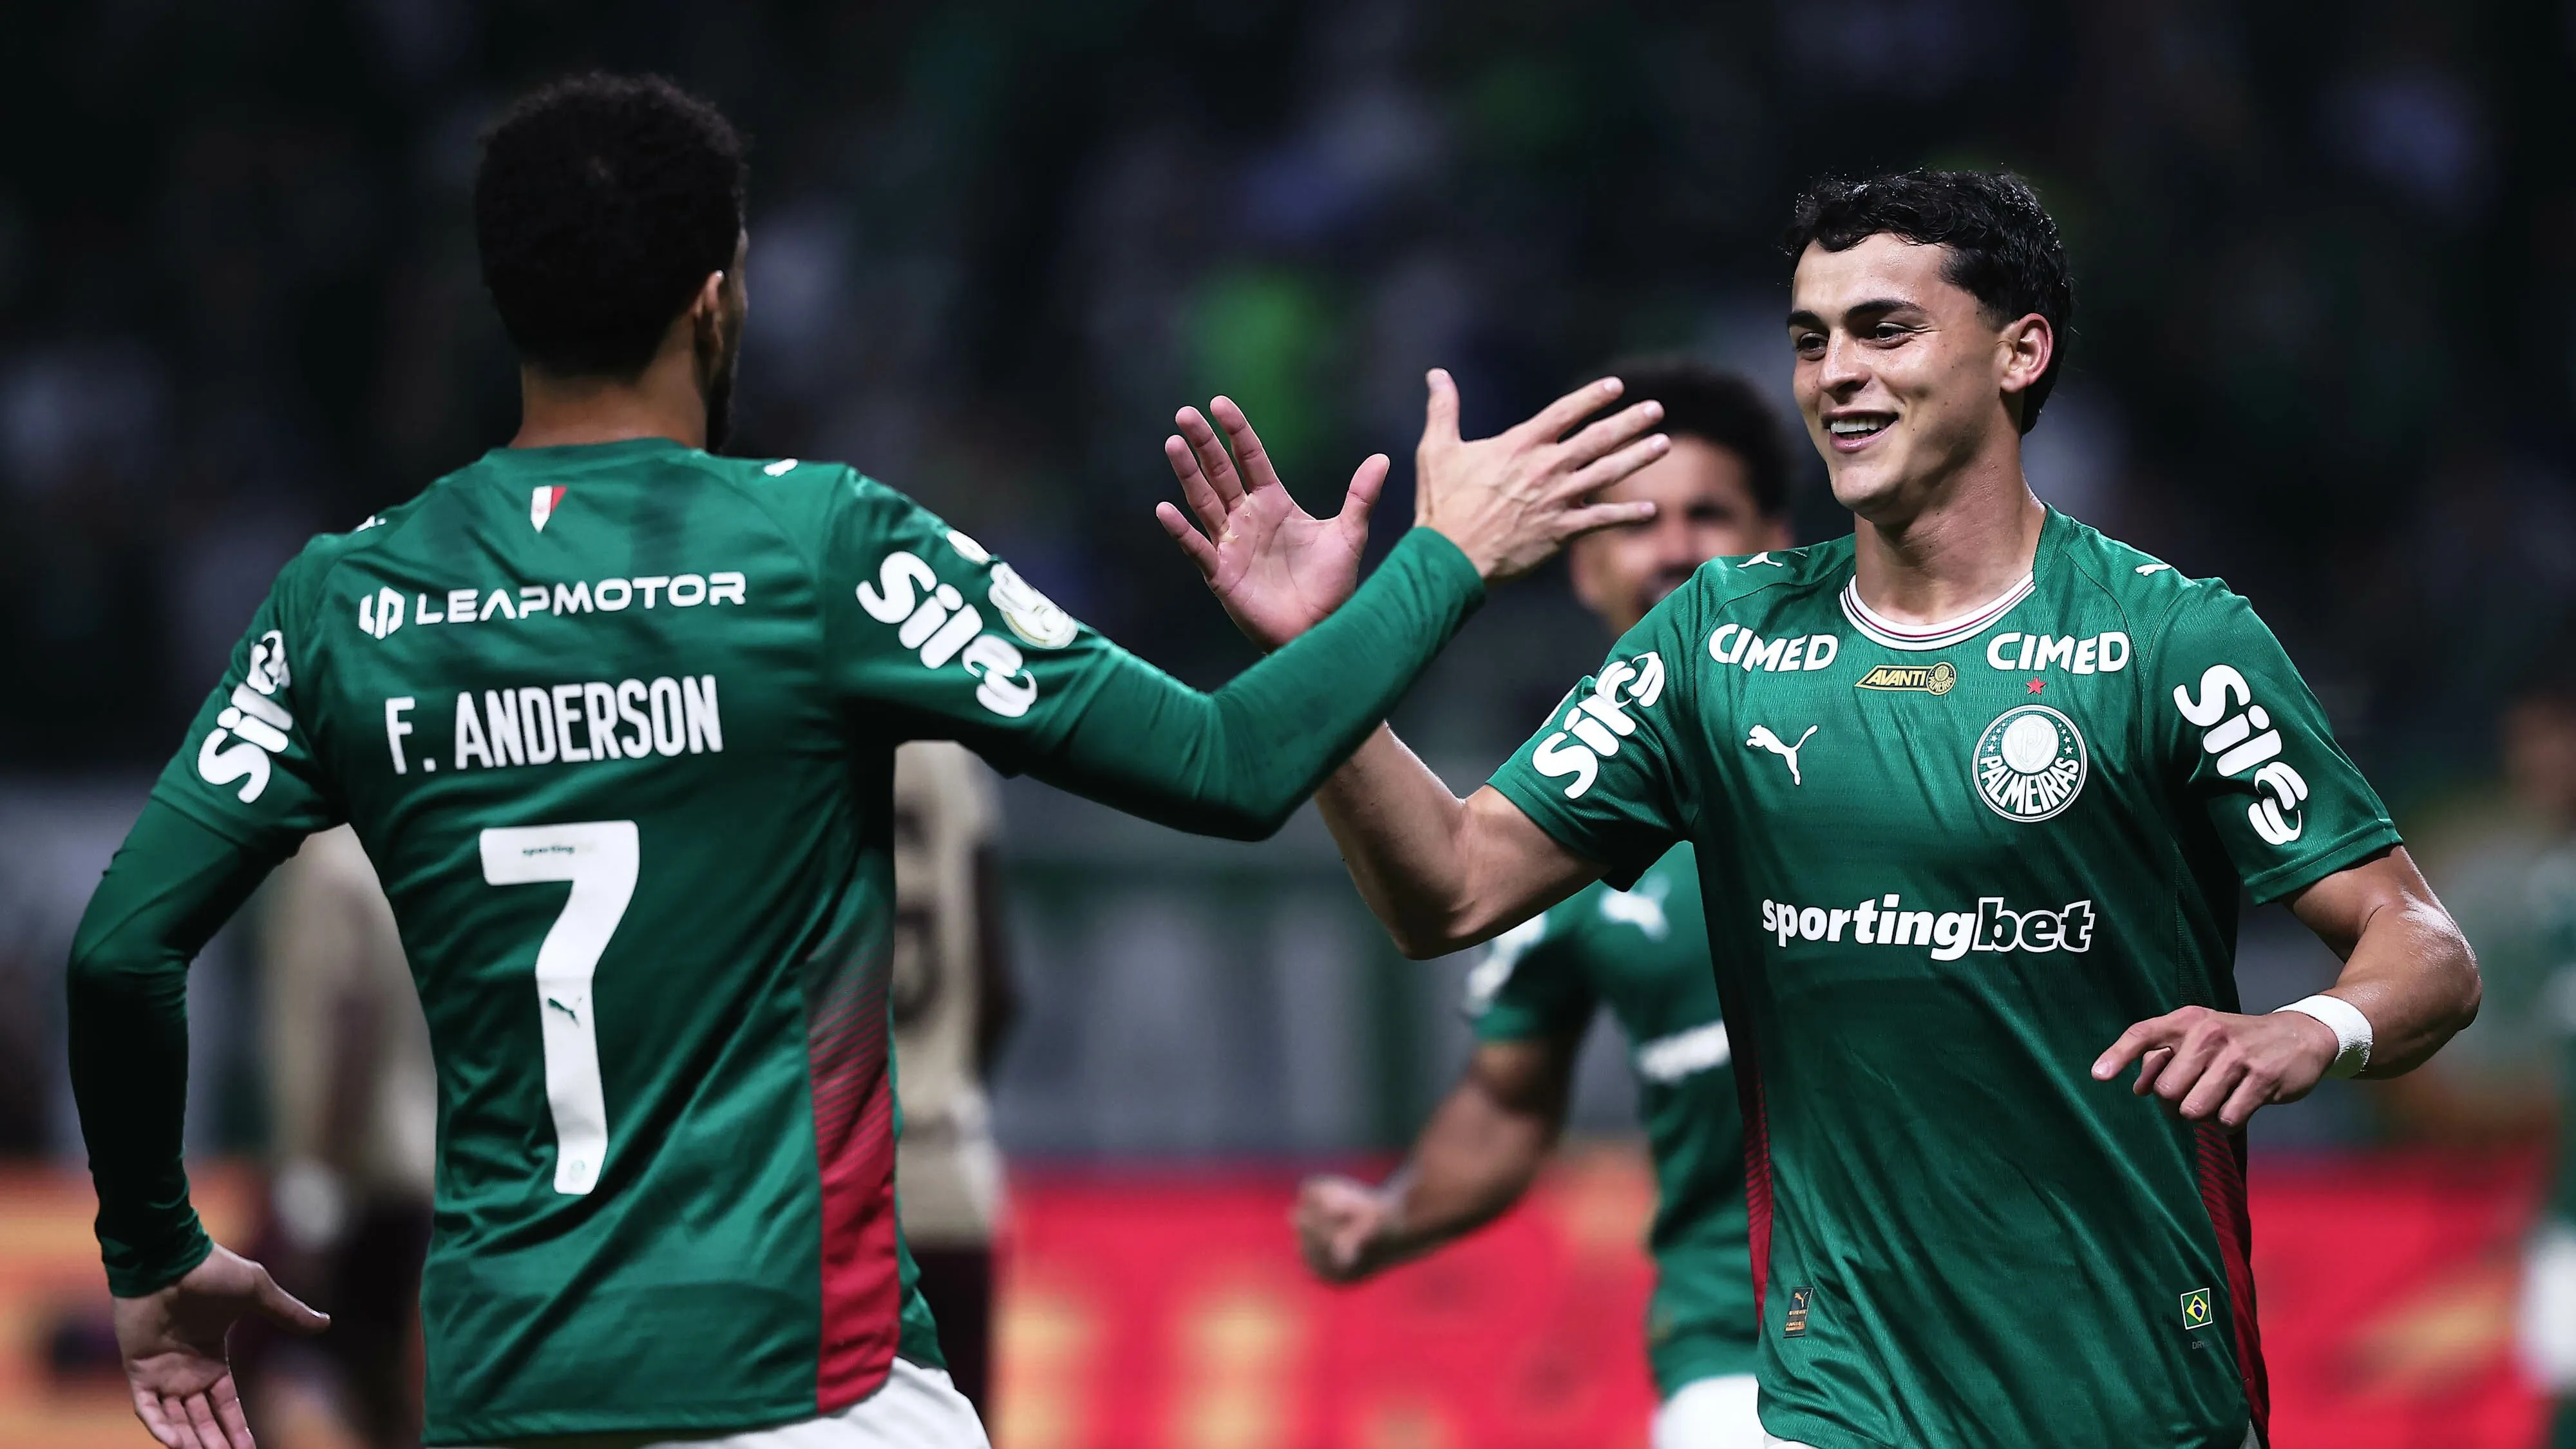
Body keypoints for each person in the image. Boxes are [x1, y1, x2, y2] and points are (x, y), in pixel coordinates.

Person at [64, 72, 1677, 1449]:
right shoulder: (818, 547)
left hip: (509, 1396)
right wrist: (1446, 558)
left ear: (504, 301)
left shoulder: (348, 599)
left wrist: (151, 1251)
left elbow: (121, 950)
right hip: (810, 1387)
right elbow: (1227, 765)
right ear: (717, 293)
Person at [1160, 169, 2481, 1449]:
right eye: (1810, 340)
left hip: (2133, 1387)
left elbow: (2424, 948)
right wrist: (1320, 661)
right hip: (1836, 1396)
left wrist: (2313, 1027)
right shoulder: (1716, 644)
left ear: (2019, 354)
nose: (1835, 372)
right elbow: (1445, 888)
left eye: (1884, 329)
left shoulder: (2169, 639)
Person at [1286, 359, 1792, 1449]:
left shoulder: (1896, 721)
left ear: (1778, 541)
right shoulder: (1560, 836)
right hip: (1743, 1360)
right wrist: (1395, 1215)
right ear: (1585, 564)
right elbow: (1508, 1101)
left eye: (1709, 515)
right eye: (1639, 521)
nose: (1675, 549)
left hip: (1982, 1322)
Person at [887, 741, 1014, 1419]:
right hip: (950, 1167)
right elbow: (1000, 988)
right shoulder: (948, 748)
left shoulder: (789, 727)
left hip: (827, 1190)